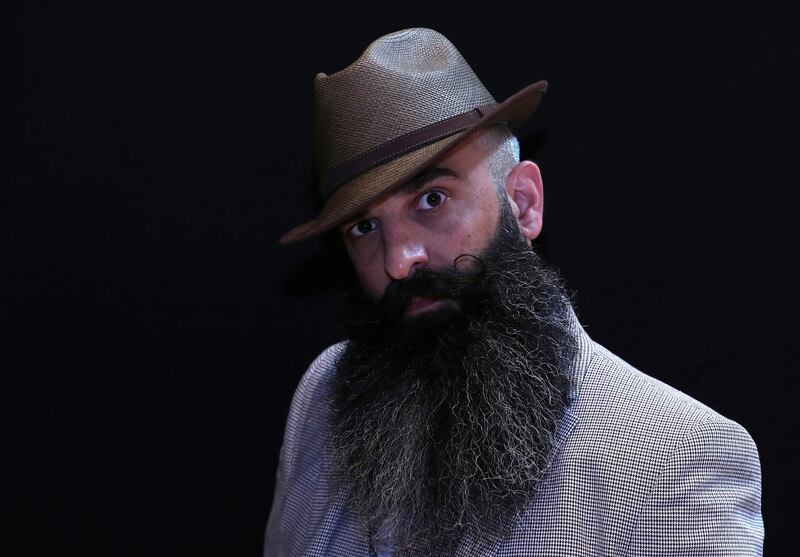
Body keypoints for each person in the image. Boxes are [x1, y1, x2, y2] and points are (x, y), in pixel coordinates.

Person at [264, 28, 763, 556]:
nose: (398, 260)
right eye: (364, 228)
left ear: (523, 204)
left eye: (433, 198)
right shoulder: (323, 393)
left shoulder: (678, 456)